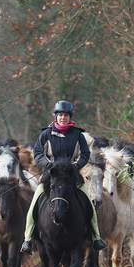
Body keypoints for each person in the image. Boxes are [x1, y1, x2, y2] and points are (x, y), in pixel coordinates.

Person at [20, 100, 107, 254]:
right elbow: (38, 153)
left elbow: (85, 153)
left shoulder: (77, 135)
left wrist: (77, 165)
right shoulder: (45, 134)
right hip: (50, 175)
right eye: (60, 115)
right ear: (55, 116)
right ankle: (28, 239)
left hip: (72, 176)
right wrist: (47, 164)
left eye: (66, 115)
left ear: (70, 117)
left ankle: (96, 237)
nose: (63, 118)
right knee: (34, 204)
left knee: (88, 203)